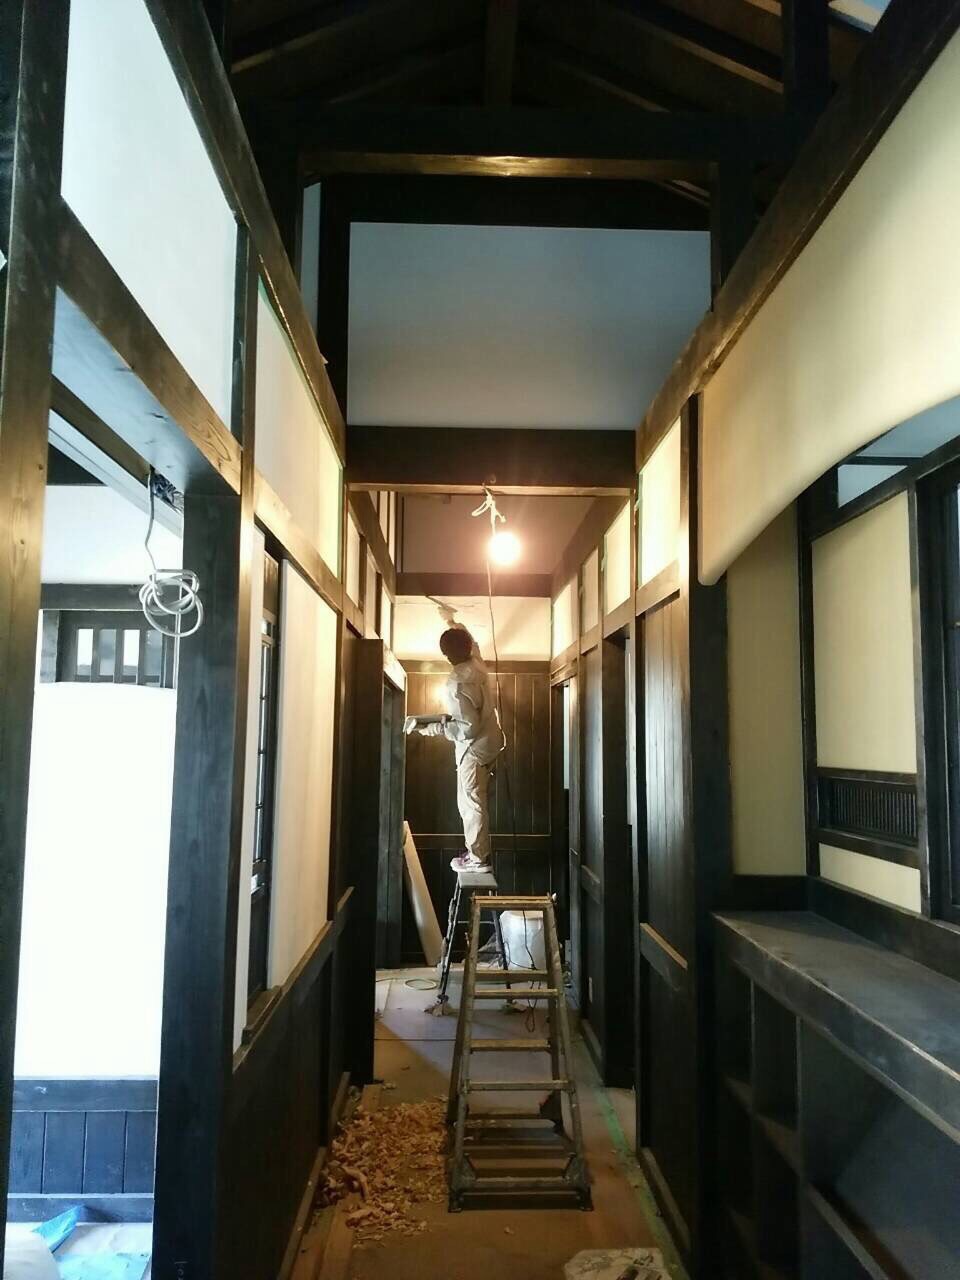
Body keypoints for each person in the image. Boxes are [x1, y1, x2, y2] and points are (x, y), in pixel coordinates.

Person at [404, 625, 505, 874]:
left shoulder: (456, 684)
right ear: (468, 646)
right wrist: (453, 621)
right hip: (491, 741)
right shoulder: (478, 665)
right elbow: (474, 644)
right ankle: (477, 852)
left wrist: (431, 728)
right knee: (476, 801)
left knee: (470, 803)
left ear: (446, 656)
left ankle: (478, 859)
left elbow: (467, 728)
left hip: (474, 748)